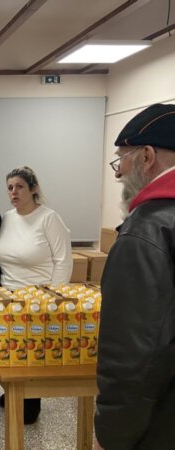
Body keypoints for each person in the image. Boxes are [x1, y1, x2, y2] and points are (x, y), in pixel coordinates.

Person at [94, 104, 175, 450]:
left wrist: (111, 433)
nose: (118, 175)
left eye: (121, 161)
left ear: (147, 157)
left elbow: (133, 354)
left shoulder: (146, 231)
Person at [0, 166, 72, 424]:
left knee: (31, 354)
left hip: (38, 299)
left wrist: (54, 298)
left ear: (33, 189)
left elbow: (63, 261)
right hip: (7, 295)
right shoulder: (7, 218)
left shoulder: (48, 218)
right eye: (10, 187)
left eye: (19, 186)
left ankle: (30, 403)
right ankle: (12, 392)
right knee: (9, 351)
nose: (13, 192)